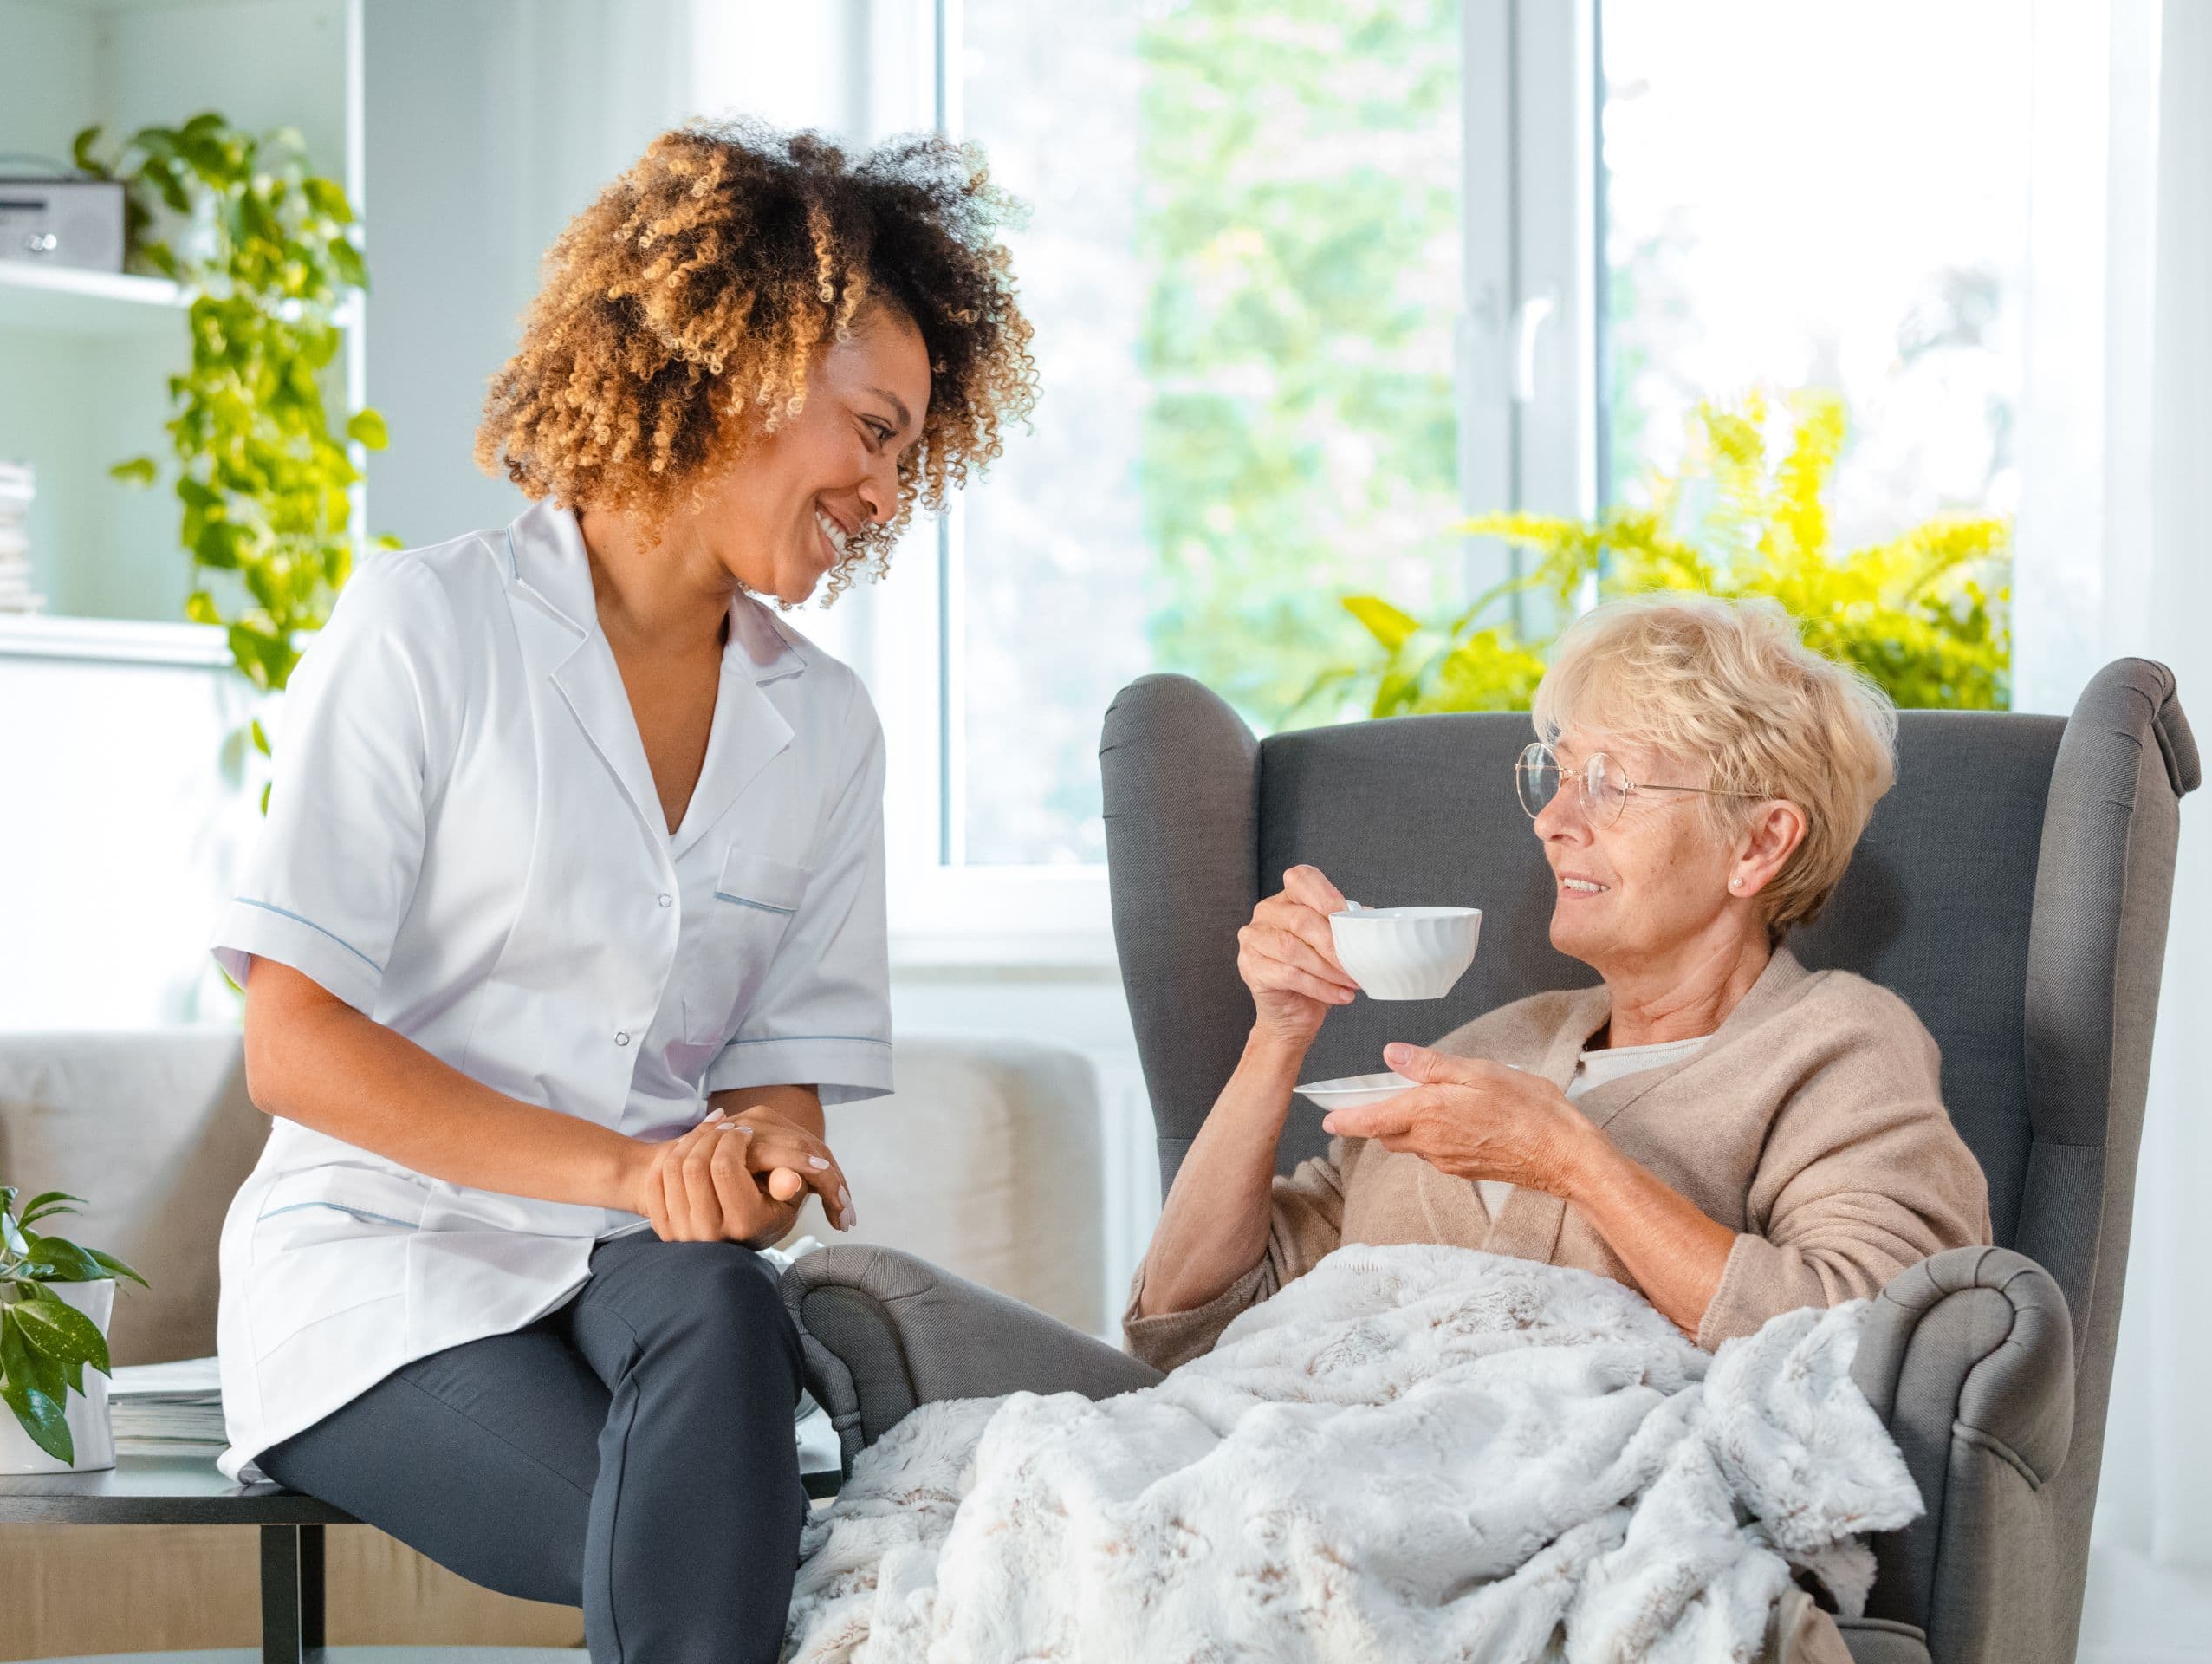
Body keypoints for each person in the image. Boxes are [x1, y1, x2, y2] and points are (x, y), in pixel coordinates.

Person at [211, 119, 1035, 1664]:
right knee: (702, 1532)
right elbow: (295, 1044)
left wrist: (767, 1157)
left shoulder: (828, 726)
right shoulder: (427, 624)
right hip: (382, 1261)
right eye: (870, 427)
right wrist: (634, 1173)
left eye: (912, 450)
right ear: (740, 360)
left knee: (727, 1313)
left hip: (642, 1275)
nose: (886, 486)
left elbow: (779, 1081)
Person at [1127, 593, 1994, 1371]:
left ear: (1759, 844)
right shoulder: (1492, 1047)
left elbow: (1877, 1344)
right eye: (1556, 774)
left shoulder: (1833, 1046)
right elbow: (1186, 1322)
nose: (1551, 821)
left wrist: (1573, 1164)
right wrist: (1276, 1034)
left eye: (1609, 783)